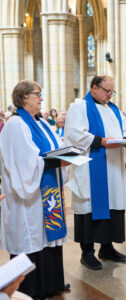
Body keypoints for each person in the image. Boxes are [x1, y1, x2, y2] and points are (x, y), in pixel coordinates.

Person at [0, 80, 70, 300]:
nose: (41, 98)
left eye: (41, 94)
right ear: (23, 97)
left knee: (48, 238)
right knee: (32, 239)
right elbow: (24, 162)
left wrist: (68, 155)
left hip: (47, 190)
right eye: (37, 94)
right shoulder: (16, 124)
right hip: (28, 197)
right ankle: (31, 288)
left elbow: (55, 147)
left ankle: (52, 283)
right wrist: (57, 162)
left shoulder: (39, 122)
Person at [64, 75, 126, 270]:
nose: (110, 95)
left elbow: (123, 129)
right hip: (92, 166)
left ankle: (107, 247)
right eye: (107, 91)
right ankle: (87, 252)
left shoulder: (113, 108)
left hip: (113, 166)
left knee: (112, 206)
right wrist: (100, 141)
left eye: (112, 91)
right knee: (90, 207)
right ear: (94, 88)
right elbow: (74, 134)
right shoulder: (80, 107)